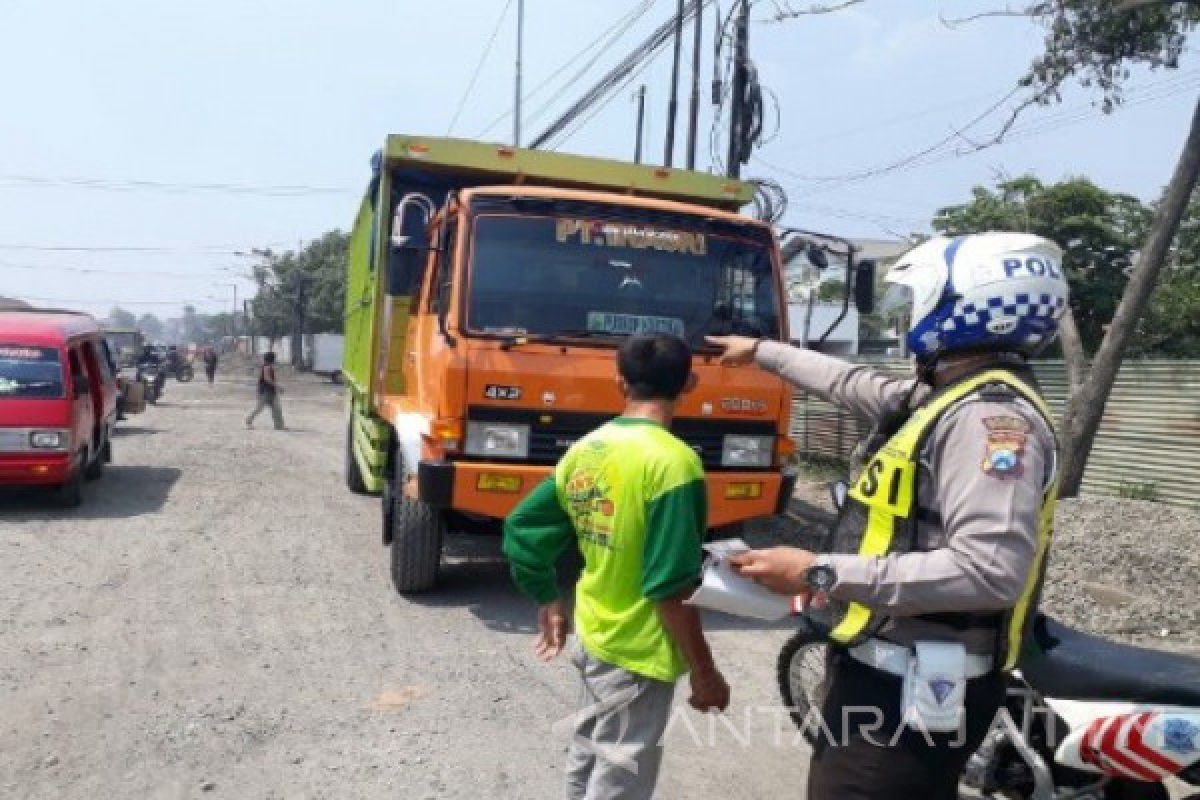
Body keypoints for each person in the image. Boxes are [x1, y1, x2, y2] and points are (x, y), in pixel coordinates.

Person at [708, 232, 1067, 800]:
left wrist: (818, 571)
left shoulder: (989, 419)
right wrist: (761, 352)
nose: (908, 314)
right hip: (888, 672)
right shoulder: (946, 395)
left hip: (911, 696)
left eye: (919, 298)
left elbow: (990, 572)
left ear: (963, 307)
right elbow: (853, 384)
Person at [502, 332, 730, 800]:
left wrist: (547, 596)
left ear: (620, 383)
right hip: (638, 654)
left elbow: (522, 526)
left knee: (587, 760)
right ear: (690, 383)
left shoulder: (587, 449)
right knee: (617, 783)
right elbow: (669, 587)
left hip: (595, 634)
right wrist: (705, 673)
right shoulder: (674, 464)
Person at [245, 352, 284, 430]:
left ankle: (279, 425)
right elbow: (267, 379)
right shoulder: (266, 367)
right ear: (271, 359)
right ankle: (249, 420)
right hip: (265, 392)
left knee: (277, 408)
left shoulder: (268, 367)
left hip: (271, 391)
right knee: (259, 408)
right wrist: (278, 386)